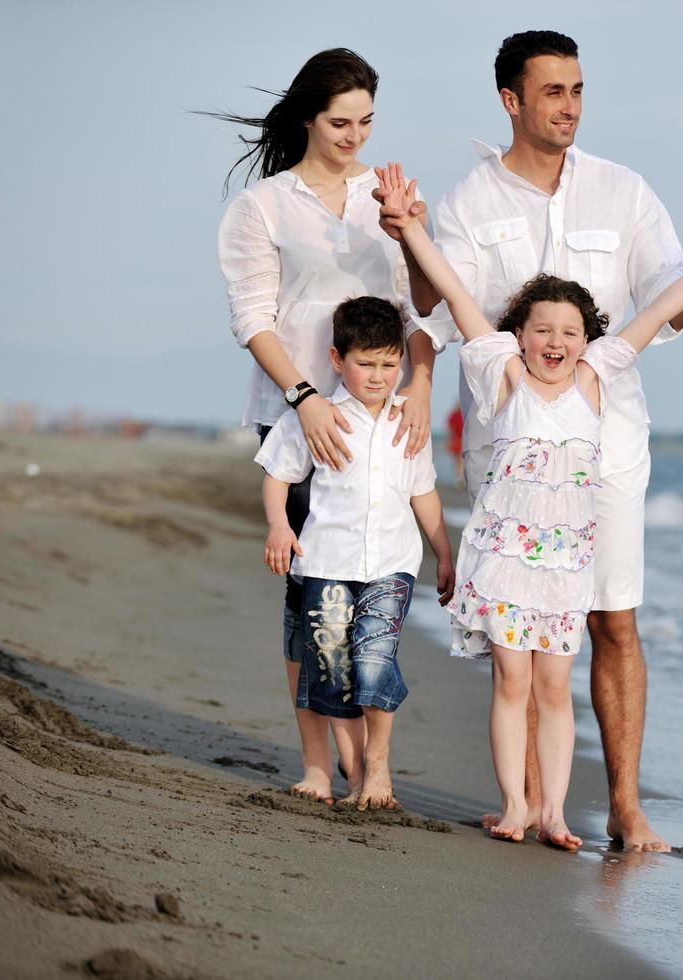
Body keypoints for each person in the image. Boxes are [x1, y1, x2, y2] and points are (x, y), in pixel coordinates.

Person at [389, 30, 683, 851]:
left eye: (579, 90)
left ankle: (625, 808)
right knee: (519, 644)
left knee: (614, 620)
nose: (569, 107)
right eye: (552, 91)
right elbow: (440, 304)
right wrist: (406, 238)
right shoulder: (468, 203)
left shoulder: (625, 192)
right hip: (507, 442)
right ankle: (528, 801)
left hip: (607, 433)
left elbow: (668, 306)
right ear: (511, 100)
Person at [212, 48, 441, 804]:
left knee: (372, 580)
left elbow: (422, 310)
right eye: (340, 122)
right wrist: (306, 396)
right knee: (309, 594)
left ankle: (365, 755)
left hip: (382, 409)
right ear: (308, 117)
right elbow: (253, 317)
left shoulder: (390, 194)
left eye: (367, 121)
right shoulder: (264, 206)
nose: (355, 136)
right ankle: (324, 753)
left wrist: (420, 387)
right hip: (296, 412)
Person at [255, 296, 455, 810]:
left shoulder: (406, 423)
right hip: (326, 562)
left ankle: (379, 768)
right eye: (365, 363)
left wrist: (444, 552)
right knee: (335, 669)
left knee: (372, 661)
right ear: (337, 358)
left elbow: (423, 492)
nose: (378, 376)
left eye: (390, 364)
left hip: (392, 564)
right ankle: (352, 771)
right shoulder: (315, 417)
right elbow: (279, 476)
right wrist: (279, 525)